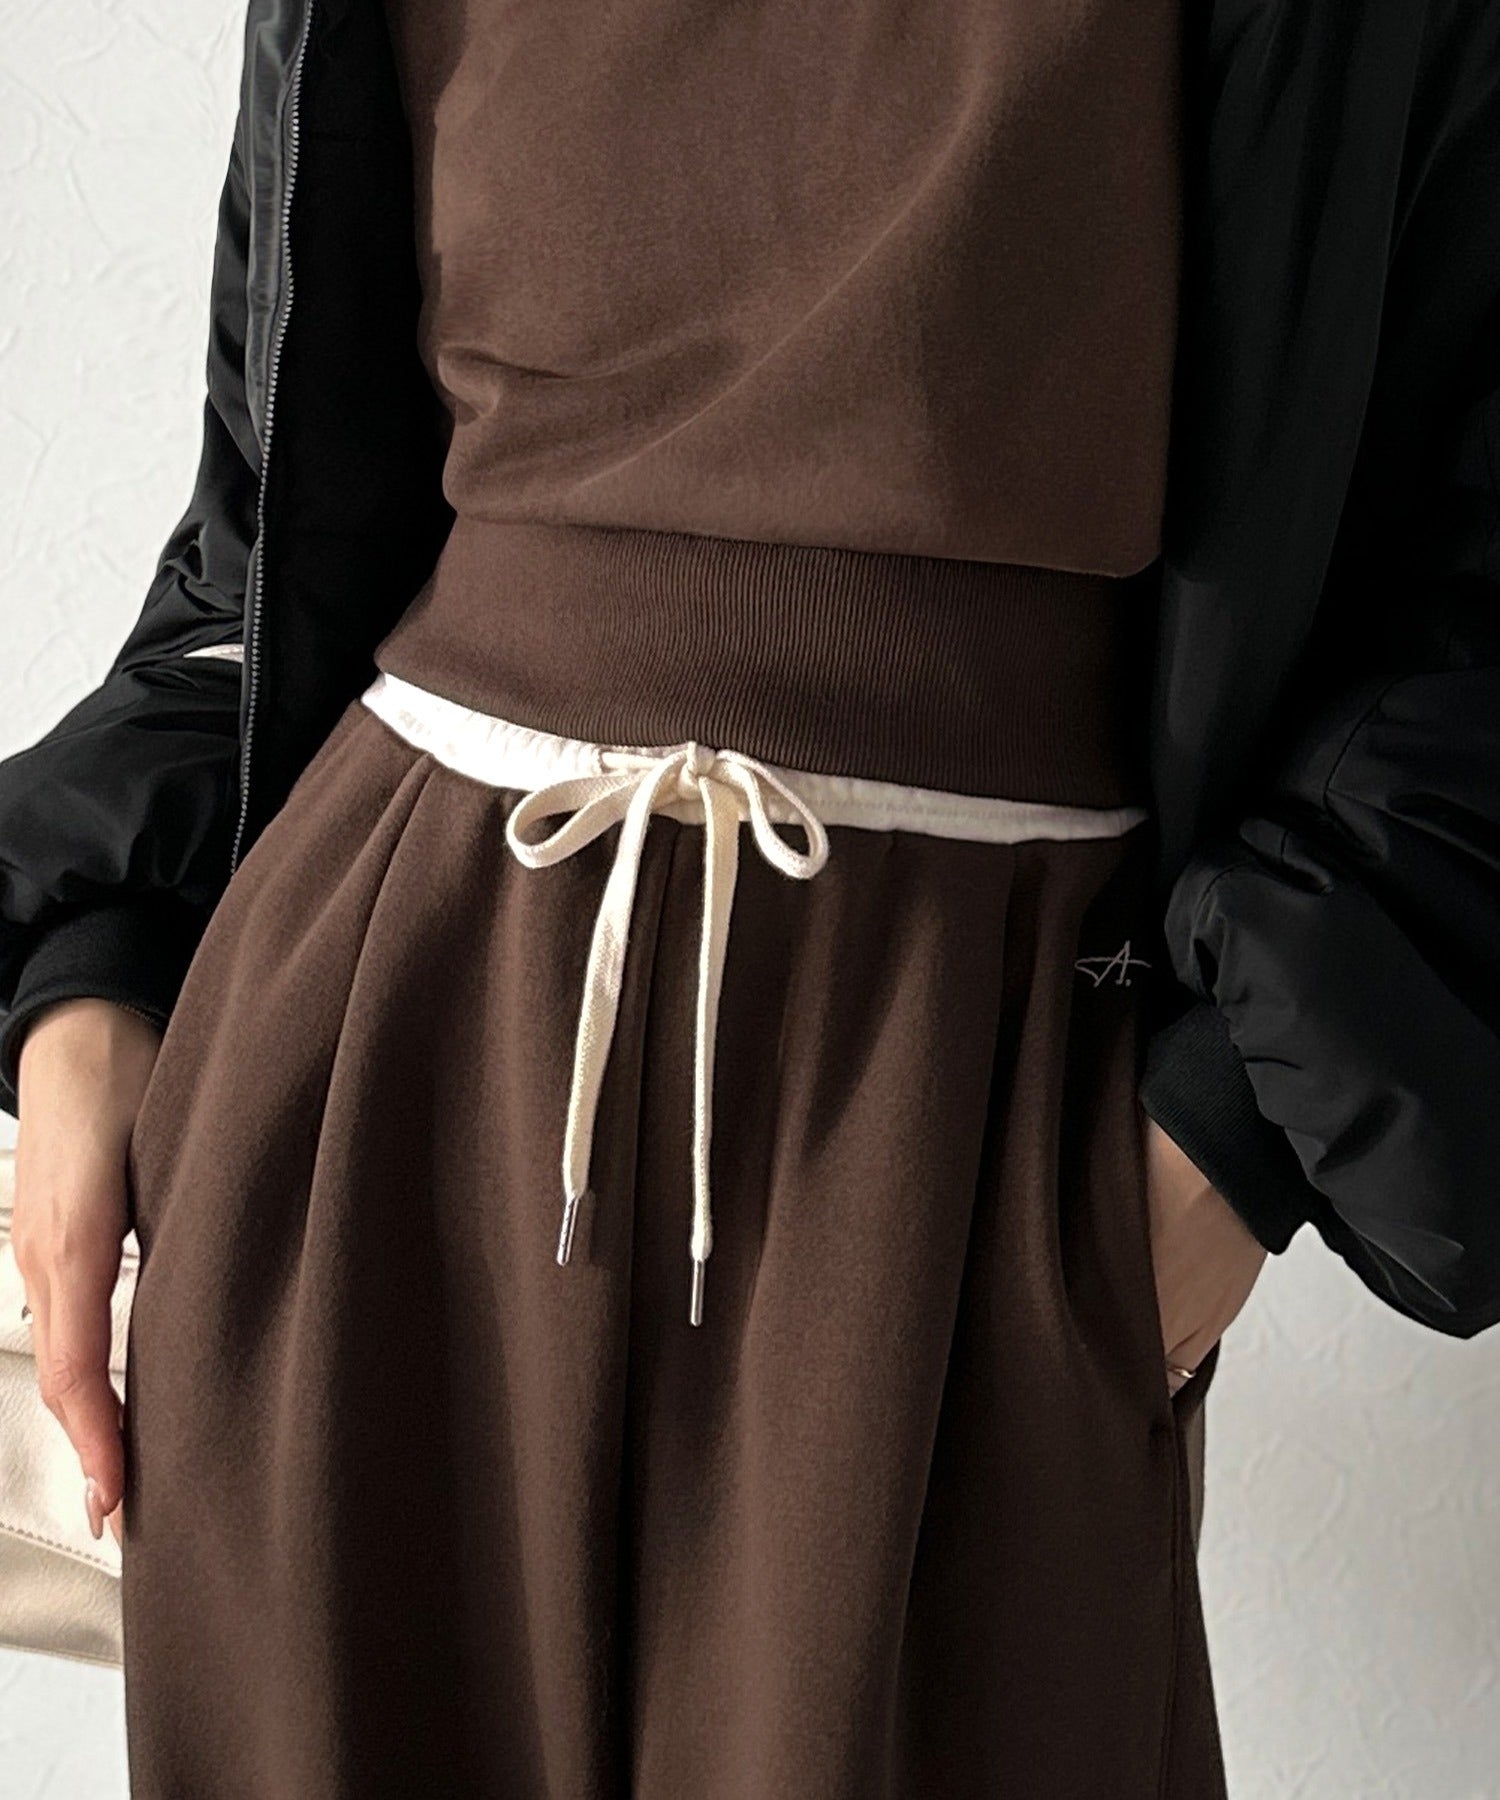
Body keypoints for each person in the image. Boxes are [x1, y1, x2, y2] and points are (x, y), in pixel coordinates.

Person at [2, 1, 1496, 1794]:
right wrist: (94, 967)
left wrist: (1221, 1142)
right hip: (380, 1101)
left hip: (964, 1141)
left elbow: (1473, 558)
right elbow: (268, 535)